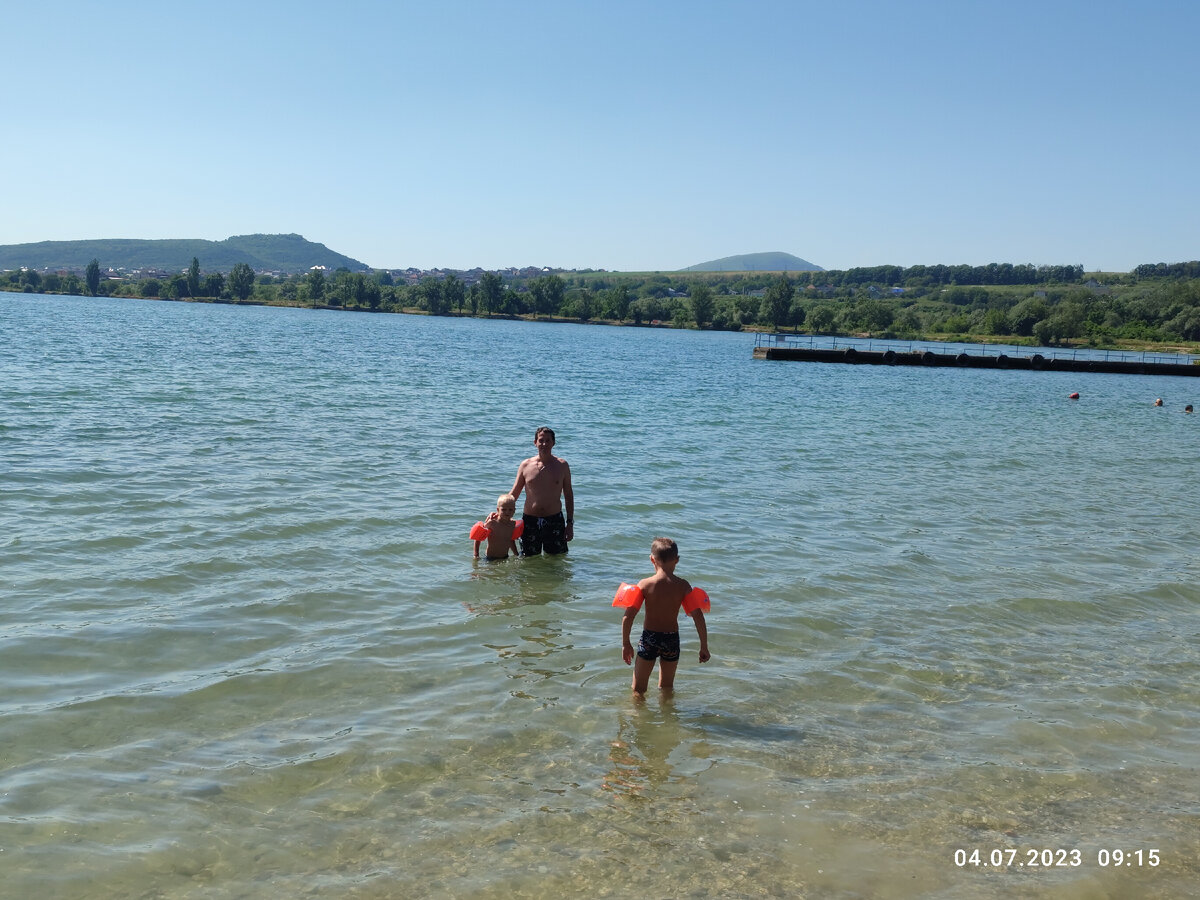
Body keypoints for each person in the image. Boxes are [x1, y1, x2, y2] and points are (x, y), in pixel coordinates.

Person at [614, 537, 711, 695]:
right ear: (677, 560)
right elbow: (698, 616)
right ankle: (668, 717)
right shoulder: (683, 586)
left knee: (638, 689)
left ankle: (639, 718)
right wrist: (704, 646)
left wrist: (626, 644)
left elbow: (628, 616)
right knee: (666, 688)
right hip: (671, 639)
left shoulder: (645, 584)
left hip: (649, 639)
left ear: (652, 559)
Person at [510, 426, 573, 556]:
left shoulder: (562, 466)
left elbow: (568, 496)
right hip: (529, 521)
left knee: (557, 561)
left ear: (553, 443)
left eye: (548, 440)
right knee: (528, 561)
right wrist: (499, 513)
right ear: (535, 443)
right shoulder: (525, 465)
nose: (544, 444)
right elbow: (514, 494)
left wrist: (570, 524)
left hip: (554, 520)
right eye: (541, 440)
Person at [470, 494, 523, 560]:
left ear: (514, 510)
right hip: (490, 558)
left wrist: (516, 554)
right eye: (503, 509)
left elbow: (510, 540)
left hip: (505, 557)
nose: (507, 512)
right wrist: (476, 555)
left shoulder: (512, 524)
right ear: (498, 510)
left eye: (510, 510)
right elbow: (478, 537)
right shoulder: (492, 523)